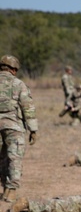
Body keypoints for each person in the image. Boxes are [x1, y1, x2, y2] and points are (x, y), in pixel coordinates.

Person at [0, 55, 38, 203]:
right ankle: (11, 191)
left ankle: (5, 189)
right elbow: (27, 107)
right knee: (14, 158)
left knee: (1, 159)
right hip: (13, 126)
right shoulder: (18, 84)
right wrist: (33, 129)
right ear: (14, 70)